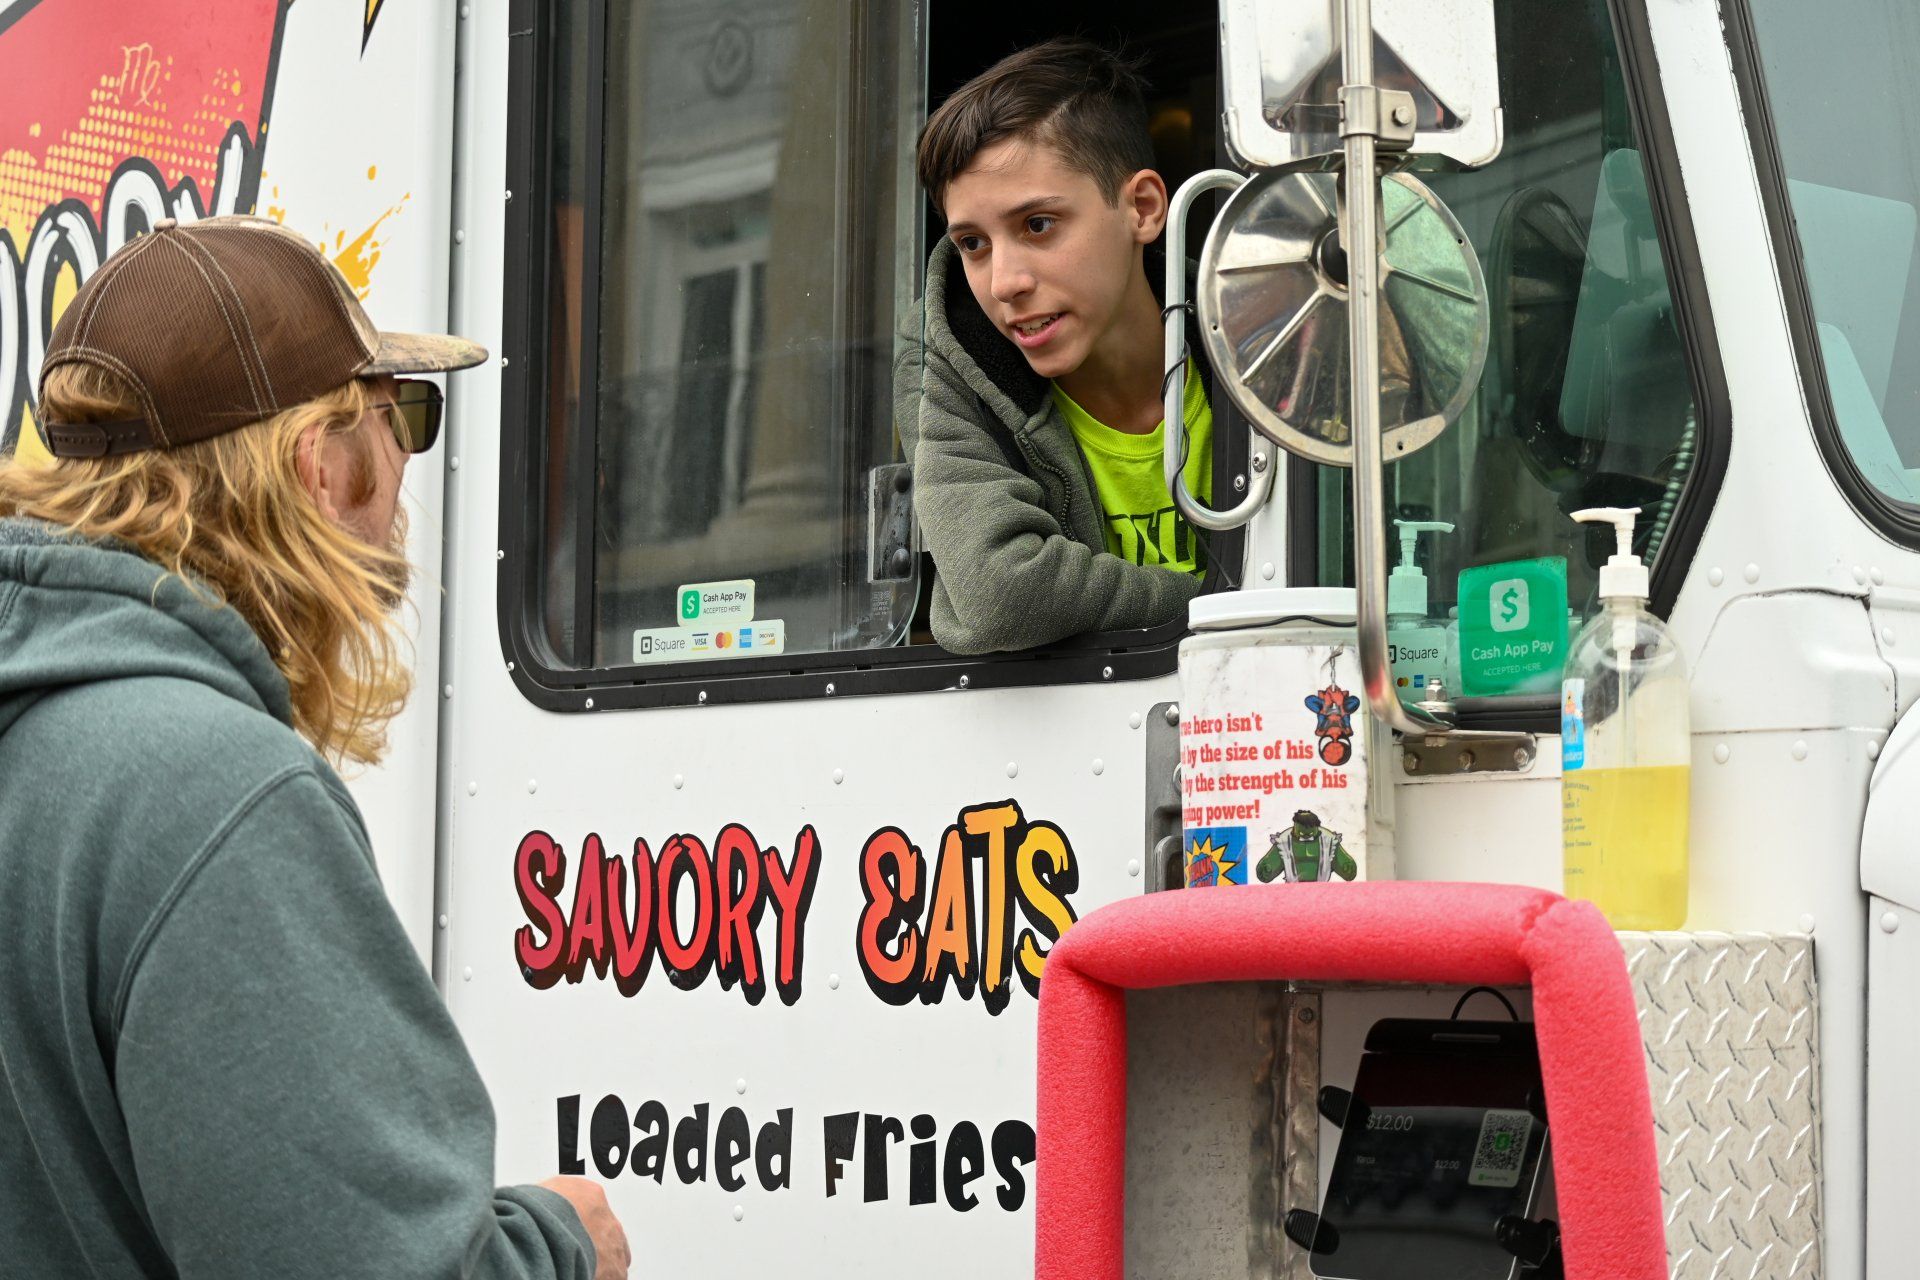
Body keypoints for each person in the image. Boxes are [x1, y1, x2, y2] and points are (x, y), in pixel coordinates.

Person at [0, 216, 630, 1279]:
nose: (406, 465)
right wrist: (561, 1243)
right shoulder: (213, 794)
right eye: (400, 415)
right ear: (321, 470)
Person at [895, 38, 1215, 655]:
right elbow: (1002, 595)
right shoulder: (950, 352)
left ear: (1143, 209)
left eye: (1037, 225)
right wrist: (1229, 607)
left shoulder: (1262, 339)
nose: (1004, 283)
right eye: (973, 244)